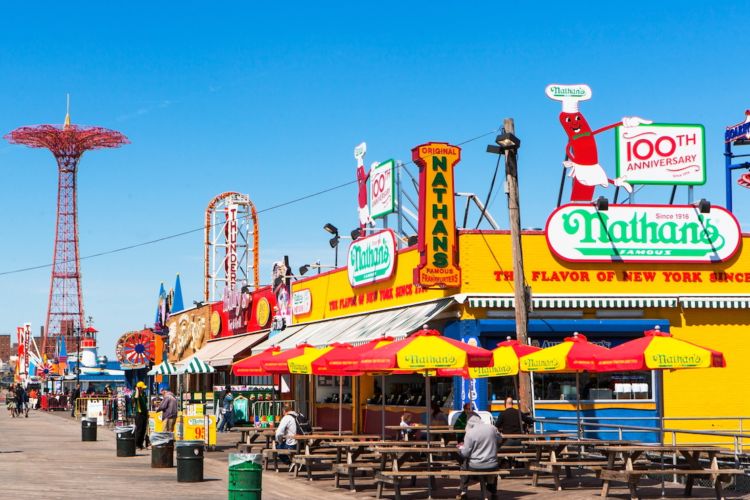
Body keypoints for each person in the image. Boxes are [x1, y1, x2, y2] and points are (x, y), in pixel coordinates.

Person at [458, 416, 501, 499]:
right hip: (492, 464)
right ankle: (493, 490)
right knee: (493, 468)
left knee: (463, 465)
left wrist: (461, 449)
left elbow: (465, 453)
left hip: (476, 465)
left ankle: (463, 491)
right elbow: (500, 440)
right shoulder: (492, 428)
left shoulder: (470, 432)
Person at [132, 381, 149, 450]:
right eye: (142, 388)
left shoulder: (144, 394)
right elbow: (135, 398)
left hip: (144, 413)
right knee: (139, 429)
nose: (143, 389)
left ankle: (141, 444)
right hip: (139, 413)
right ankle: (136, 444)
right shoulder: (136, 394)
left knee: (143, 430)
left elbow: (145, 403)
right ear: (139, 388)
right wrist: (136, 390)